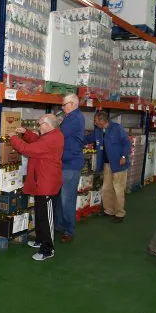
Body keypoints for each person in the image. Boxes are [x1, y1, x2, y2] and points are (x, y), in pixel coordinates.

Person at [10, 114, 64, 261]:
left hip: (48, 184)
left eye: (40, 124)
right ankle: (40, 239)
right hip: (41, 182)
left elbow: (28, 149)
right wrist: (25, 133)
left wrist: (13, 138)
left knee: (46, 218)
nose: (38, 127)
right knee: (40, 213)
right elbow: (36, 141)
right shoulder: (50, 135)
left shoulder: (52, 139)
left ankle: (48, 249)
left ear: (48, 125)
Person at [84, 111, 131, 223]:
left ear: (102, 121)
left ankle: (120, 213)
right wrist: (74, 140)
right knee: (106, 187)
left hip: (118, 164)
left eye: (95, 121)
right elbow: (88, 139)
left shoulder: (117, 128)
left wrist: (124, 156)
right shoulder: (98, 131)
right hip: (106, 164)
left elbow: (127, 142)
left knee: (118, 189)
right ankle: (109, 210)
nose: (94, 123)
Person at [55, 93, 85, 243]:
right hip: (63, 164)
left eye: (64, 104)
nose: (62, 107)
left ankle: (69, 230)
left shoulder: (75, 118)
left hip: (71, 165)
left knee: (67, 200)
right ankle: (60, 226)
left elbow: (59, 135)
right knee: (60, 198)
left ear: (72, 104)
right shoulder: (70, 117)